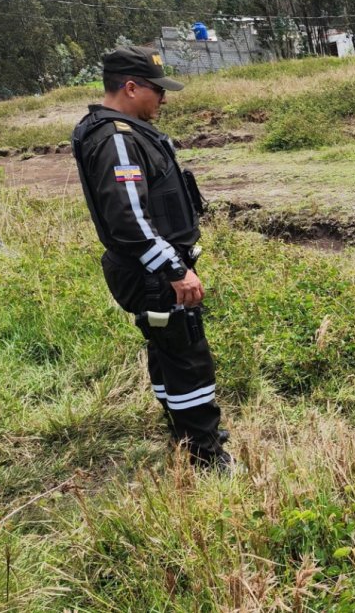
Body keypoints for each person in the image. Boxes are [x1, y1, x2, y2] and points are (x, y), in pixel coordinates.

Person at [71, 46, 231, 469]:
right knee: (187, 356)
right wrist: (175, 270)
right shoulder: (118, 138)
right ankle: (205, 454)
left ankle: (186, 431)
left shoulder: (115, 130)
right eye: (157, 90)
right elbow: (128, 219)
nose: (163, 98)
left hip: (147, 269)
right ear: (130, 87)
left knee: (167, 348)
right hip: (153, 272)